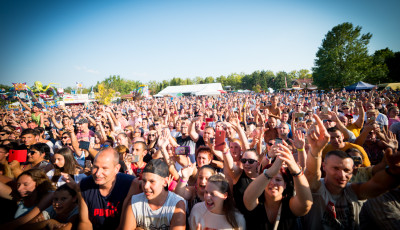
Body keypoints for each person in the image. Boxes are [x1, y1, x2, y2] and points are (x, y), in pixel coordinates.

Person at [303, 114, 400, 229]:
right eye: (336, 168)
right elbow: (311, 174)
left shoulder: (352, 190)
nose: (342, 175)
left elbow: (377, 186)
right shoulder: (318, 188)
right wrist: (315, 151)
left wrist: (394, 170)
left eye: (347, 170)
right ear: (324, 166)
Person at [243, 144, 313, 230]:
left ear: (285, 185)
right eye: (269, 179)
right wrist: (271, 171)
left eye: (278, 180)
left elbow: (305, 205)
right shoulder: (257, 202)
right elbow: (247, 199)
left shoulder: (290, 204)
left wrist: (295, 169)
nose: (272, 183)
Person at [78, 147, 135, 230]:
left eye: (104, 168)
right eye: (95, 167)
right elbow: (84, 221)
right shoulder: (84, 185)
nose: (98, 173)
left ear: (116, 169)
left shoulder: (131, 184)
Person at [120, 159, 186, 230]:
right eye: (144, 181)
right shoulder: (134, 202)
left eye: (152, 181)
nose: (145, 186)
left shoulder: (176, 204)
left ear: (165, 182)